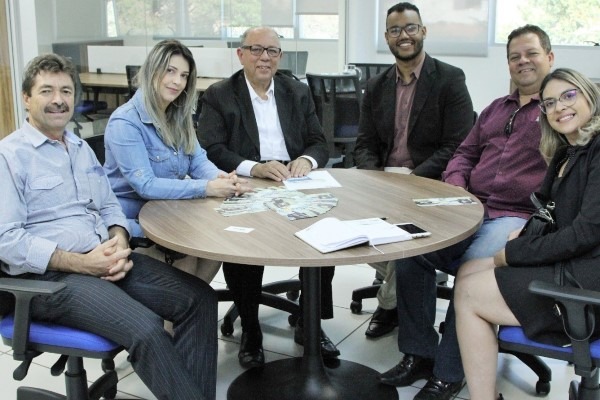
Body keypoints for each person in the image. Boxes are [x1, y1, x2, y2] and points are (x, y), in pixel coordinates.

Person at [0, 53, 218, 400]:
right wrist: (81, 263)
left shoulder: (80, 148)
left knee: (199, 298)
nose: (58, 100)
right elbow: (7, 240)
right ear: (26, 98)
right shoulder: (9, 156)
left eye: (66, 91)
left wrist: (119, 239)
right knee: (147, 328)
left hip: (103, 259)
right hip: (49, 279)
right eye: (46, 91)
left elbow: (108, 206)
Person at [378, 24, 554, 400]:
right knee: (411, 251)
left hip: (516, 216)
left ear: (550, 58)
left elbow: (567, 178)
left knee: (473, 269)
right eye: (514, 56)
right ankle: (419, 353)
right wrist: (457, 184)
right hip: (470, 207)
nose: (522, 61)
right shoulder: (495, 109)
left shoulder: (558, 112)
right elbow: (464, 153)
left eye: (531, 54)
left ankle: (449, 372)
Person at [197, 26, 338, 368]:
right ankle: (251, 329)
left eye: (272, 51)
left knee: (327, 234)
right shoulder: (219, 95)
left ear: (280, 57)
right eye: (256, 50)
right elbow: (211, 149)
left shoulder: (297, 91)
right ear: (241, 54)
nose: (264, 58)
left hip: (294, 180)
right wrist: (254, 168)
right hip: (247, 181)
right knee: (242, 246)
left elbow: (320, 142)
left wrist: (306, 160)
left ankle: (309, 321)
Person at [455, 68, 600, 400]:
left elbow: (585, 233)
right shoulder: (566, 152)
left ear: (590, 96)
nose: (560, 107)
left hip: (588, 282)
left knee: (469, 294)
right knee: (467, 271)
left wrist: (513, 253)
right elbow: (549, 214)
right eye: (550, 102)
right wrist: (524, 235)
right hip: (574, 263)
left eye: (569, 95)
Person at [353, 2, 474, 339]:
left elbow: (457, 144)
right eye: (395, 30)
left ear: (423, 31)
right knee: (343, 231)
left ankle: (388, 303)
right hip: (381, 181)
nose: (403, 35)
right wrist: (374, 178)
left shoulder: (449, 79)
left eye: (410, 27)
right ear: (387, 37)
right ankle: (399, 285)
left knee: (405, 244)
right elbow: (364, 142)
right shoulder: (376, 85)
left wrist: (413, 179)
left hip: (428, 181)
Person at [103, 40, 251, 284]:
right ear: (152, 70)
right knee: (189, 256)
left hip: (169, 209)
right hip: (137, 218)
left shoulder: (177, 115)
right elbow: (146, 185)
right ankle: (182, 306)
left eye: (184, 75)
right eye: (170, 71)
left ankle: (192, 306)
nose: (177, 81)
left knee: (217, 244)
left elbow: (197, 161)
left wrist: (221, 179)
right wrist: (206, 188)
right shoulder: (125, 122)